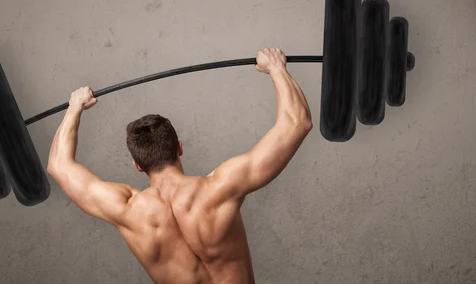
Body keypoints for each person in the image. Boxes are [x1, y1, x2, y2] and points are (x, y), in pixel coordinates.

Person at [47, 48, 313, 284]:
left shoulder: (128, 211)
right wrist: (276, 68)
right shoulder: (220, 189)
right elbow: (296, 124)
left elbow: (59, 165)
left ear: (137, 165)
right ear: (180, 148)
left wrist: (74, 108)